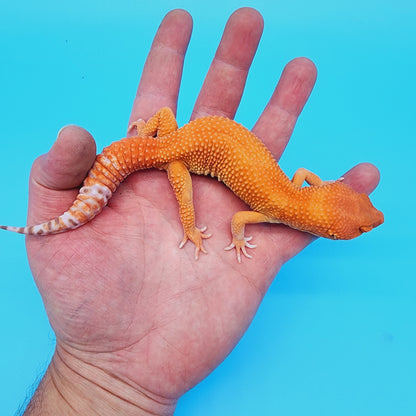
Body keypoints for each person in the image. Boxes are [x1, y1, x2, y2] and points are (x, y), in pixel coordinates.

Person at [21, 7, 380, 415]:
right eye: (357, 229)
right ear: (328, 232)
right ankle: (190, 230)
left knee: (168, 140)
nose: (369, 223)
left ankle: (153, 134)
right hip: (177, 157)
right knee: (185, 203)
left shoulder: (293, 193)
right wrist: (222, 236)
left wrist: (318, 187)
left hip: (173, 134)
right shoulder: (279, 210)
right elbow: (237, 220)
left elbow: (299, 173)